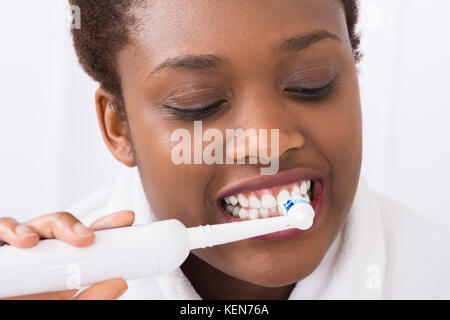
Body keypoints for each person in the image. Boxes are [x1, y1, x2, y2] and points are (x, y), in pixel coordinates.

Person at [1, 0, 449, 300]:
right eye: (198, 102)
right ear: (119, 127)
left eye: (311, 81)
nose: (267, 140)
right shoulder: (54, 283)